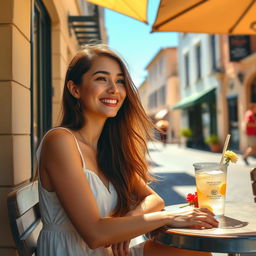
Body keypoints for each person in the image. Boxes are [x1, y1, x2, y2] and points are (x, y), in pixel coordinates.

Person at [36, 44, 218, 256]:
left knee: (198, 251)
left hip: (109, 251)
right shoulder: (60, 141)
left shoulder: (108, 147)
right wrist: (169, 217)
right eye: (101, 78)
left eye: (120, 81)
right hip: (73, 251)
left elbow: (154, 200)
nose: (114, 89)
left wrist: (123, 227)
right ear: (75, 89)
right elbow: (95, 234)